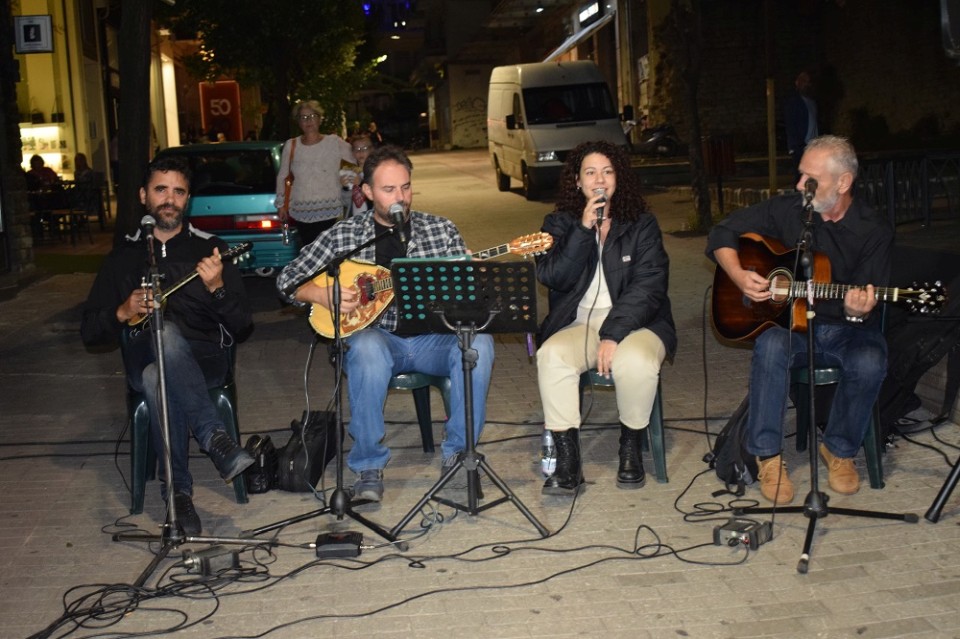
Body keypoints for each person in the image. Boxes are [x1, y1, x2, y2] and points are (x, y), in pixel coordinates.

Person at [276, 145, 495, 503]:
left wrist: (469, 280)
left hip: (432, 340)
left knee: (479, 344)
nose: (400, 198)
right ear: (366, 192)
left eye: (406, 187)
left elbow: (470, 304)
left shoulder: (440, 230)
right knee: (365, 347)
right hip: (379, 340)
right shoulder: (344, 236)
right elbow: (286, 280)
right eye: (389, 189)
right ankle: (368, 466)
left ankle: (458, 456)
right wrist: (319, 293)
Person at [705, 135, 892, 505]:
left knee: (871, 359)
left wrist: (857, 310)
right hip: (793, 327)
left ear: (843, 182)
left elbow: (865, 300)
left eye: (810, 179)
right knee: (770, 345)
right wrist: (739, 275)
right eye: (801, 174)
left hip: (846, 329)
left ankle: (839, 449)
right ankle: (768, 457)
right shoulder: (790, 210)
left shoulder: (874, 230)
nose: (799, 185)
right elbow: (721, 232)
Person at [80, 155, 255, 535]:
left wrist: (217, 288)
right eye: (161, 190)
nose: (170, 199)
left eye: (179, 192)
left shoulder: (211, 250)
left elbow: (243, 326)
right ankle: (215, 439)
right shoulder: (123, 258)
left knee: (157, 374)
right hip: (141, 350)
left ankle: (177, 495)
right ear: (144, 196)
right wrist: (123, 311)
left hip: (204, 357)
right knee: (163, 335)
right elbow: (90, 332)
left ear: (187, 199)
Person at [536, 140, 677, 496]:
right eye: (590, 172)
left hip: (638, 322)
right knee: (551, 356)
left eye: (607, 171)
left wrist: (613, 334)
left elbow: (649, 286)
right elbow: (553, 277)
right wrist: (583, 230)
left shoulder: (642, 224)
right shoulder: (558, 224)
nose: (599, 179)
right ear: (577, 182)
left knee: (636, 361)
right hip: (579, 322)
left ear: (619, 178)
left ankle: (630, 447)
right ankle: (568, 462)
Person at [274, 100, 356, 246]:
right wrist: (281, 205)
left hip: (330, 211)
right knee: (308, 252)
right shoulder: (291, 145)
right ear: (298, 122)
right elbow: (282, 176)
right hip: (301, 212)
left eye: (312, 116)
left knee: (330, 252)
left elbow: (356, 159)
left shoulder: (334, 142)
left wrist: (351, 179)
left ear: (320, 119)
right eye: (303, 117)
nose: (308, 120)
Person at [785, 71, 819, 178]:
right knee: (801, 177)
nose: (807, 84)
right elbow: (791, 124)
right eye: (804, 81)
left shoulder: (812, 103)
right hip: (800, 147)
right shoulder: (794, 102)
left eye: (808, 82)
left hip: (812, 146)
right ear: (798, 84)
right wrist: (795, 146)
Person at [339, 133, 374, 218]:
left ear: (371, 150)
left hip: (371, 218)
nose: (361, 152)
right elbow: (346, 203)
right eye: (357, 149)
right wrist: (345, 188)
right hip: (355, 219)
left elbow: (377, 197)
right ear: (353, 153)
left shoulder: (376, 172)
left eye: (364, 148)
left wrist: (360, 184)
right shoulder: (350, 172)